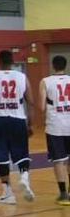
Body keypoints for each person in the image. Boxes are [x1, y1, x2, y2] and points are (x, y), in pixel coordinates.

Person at [0, 50, 35, 205]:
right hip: (18, 120)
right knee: (21, 152)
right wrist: (30, 123)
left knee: (1, 156)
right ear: (13, 62)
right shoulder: (22, 77)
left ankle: (8, 192)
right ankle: (24, 177)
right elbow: (30, 101)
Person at [40, 55, 70, 205]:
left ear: (53, 65)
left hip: (55, 125)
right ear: (65, 66)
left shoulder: (46, 81)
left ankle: (63, 194)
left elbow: (42, 106)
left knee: (59, 160)